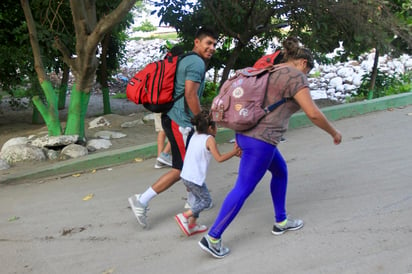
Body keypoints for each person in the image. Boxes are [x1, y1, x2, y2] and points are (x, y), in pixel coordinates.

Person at [198, 36, 343, 258]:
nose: (307, 76)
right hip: (261, 141)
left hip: (246, 133)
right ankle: (213, 237)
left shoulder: (268, 70)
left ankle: (281, 220)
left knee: (280, 171)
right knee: (243, 187)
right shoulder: (295, 76)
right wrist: (334, 132)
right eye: (308, 71)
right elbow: (313, 113)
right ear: (303, 63)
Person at [128, 27, 219, 229]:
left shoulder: (186, 59)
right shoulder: (196, 63)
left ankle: (193, 203)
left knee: (189, 166)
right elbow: (190, 95)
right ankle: (141, 200)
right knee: (183, 169)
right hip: (181, 123)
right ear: (197, 42)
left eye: (214, 44)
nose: (212, 48)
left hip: (177, 120)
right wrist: (204, 123)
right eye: (208, 43)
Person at [174, 110, 241, 236]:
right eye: (216, 126)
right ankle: (184, 216)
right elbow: (219, 158)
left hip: (186, 176)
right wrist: (234, 152)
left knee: (199, 199)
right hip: (194, 178)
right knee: (206, 201)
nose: (217, 129)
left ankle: (193, 224)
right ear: (210, 128)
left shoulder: (195, 134)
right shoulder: (209, 139)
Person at [154, 45, 185, 169]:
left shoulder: (163, 64)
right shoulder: (177, 66)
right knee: (175, 130)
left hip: (156, 101)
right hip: (169, 102)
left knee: (162, 130)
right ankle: (164, 155)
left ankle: (159, 158)